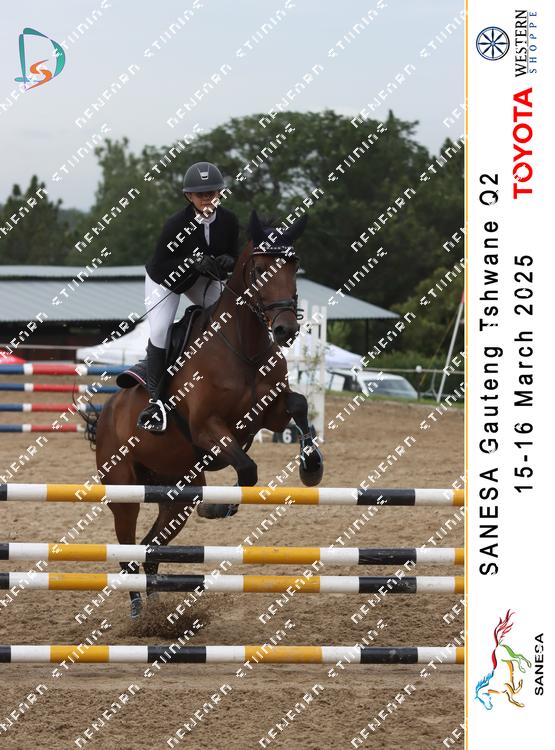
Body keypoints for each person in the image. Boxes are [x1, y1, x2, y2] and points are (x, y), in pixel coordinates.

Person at [138, 161, 239, 432]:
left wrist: (230, 261)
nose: (207, 199)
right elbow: (161, 265)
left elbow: (235, 255)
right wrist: (191, 263)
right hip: (166, 280)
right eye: (200, 194)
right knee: (160, 330)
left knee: (227, 320)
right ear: (189, 197)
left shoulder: (229, 220)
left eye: (211, 193)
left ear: (220, 193)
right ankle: (155, 402)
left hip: (202, 280)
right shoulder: (175, 224)